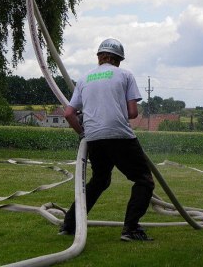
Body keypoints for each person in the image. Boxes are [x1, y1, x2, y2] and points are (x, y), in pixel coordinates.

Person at [60, 38, 155, 241]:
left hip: (94, 138)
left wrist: (83, 133)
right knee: (144, 180)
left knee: (100, 180)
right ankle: (131, 229)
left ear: (99, 57)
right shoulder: (125, 75)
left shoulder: (84, 79)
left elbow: (69, 113)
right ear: (118, 59)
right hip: (119, 136)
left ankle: (69, 224)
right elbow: (132, 112)